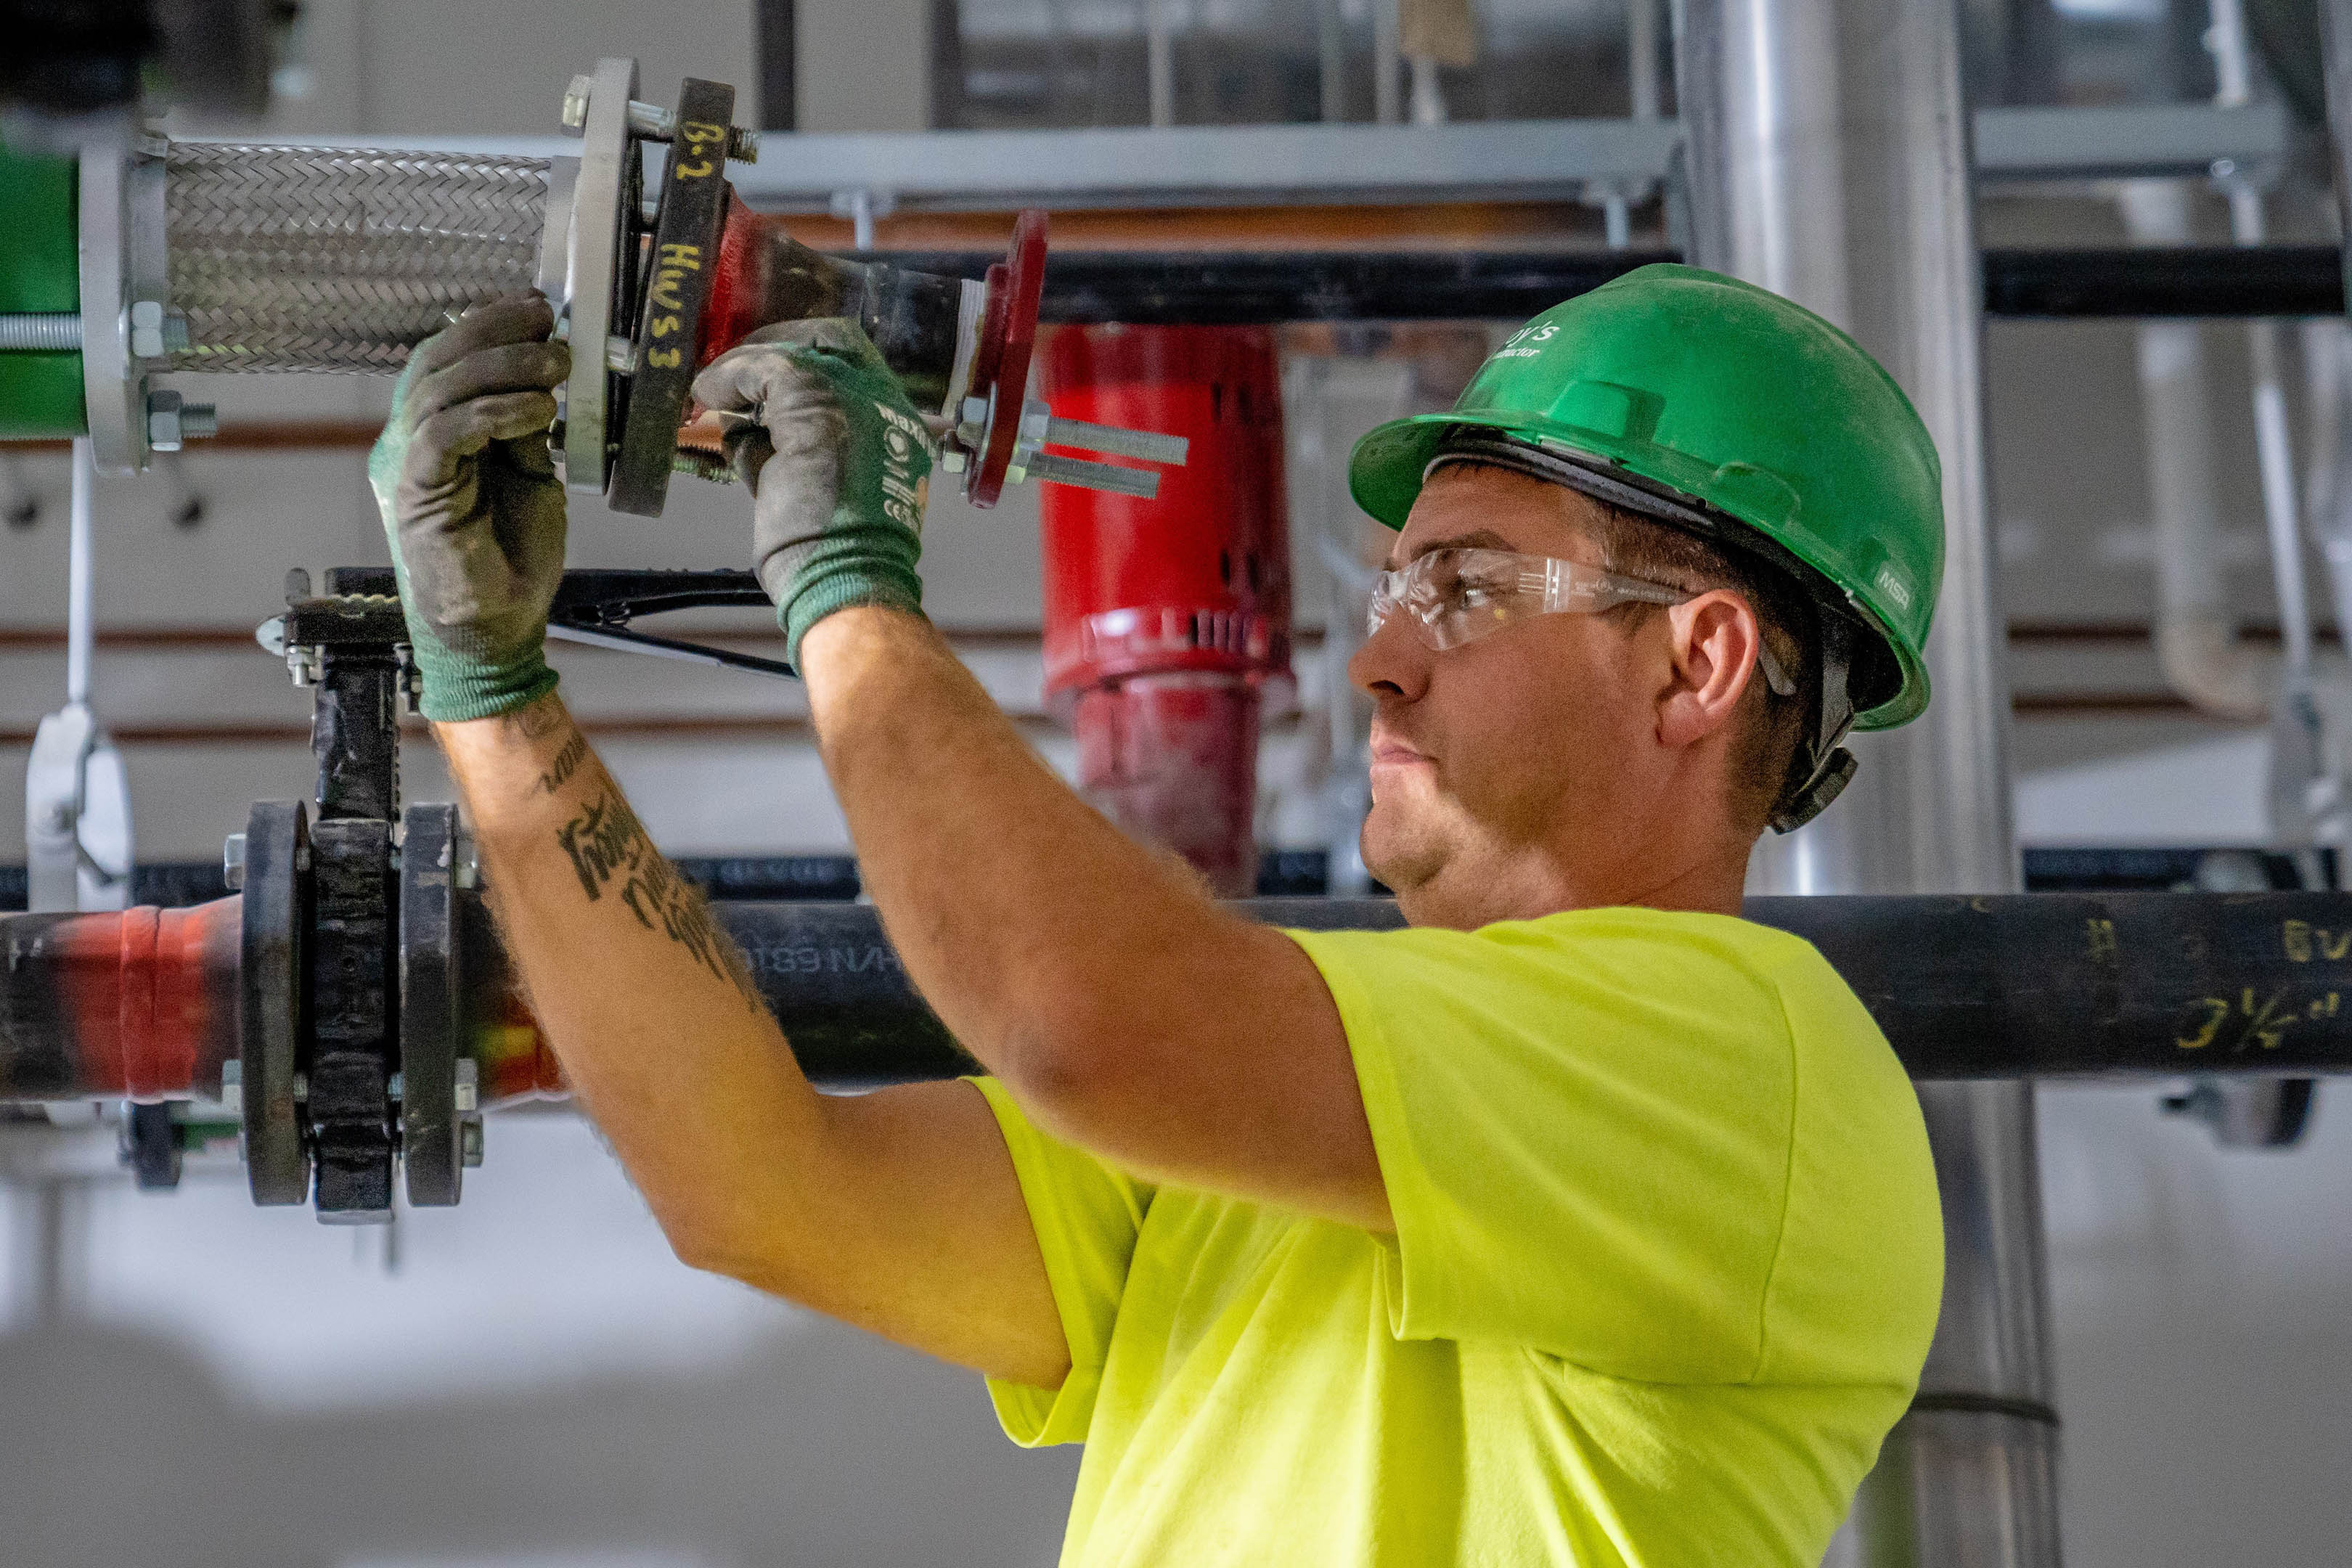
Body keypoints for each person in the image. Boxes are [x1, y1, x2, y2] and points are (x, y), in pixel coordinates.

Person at [369, 264, 1945, 1567]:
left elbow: (1074, 1018)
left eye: (1462, 591)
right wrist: (492, 693)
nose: (1380, 664)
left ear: (1700, 665)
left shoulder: (1753, 1069)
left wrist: (846, 583)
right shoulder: (1291, 1103)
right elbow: (762, 1189)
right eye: (1392, 595)